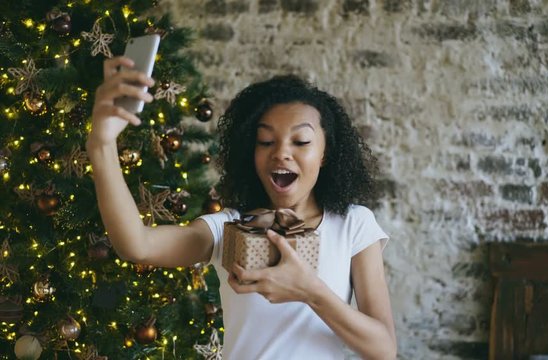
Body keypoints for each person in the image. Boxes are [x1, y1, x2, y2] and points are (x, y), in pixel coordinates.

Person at [87, 56, 397, 359]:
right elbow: (136, 245)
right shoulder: (230, 229)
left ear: (325, 154)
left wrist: (310, 291)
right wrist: (101, 144)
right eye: (265, 142)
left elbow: (383, 349)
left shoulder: (353, 224)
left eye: (301, 142)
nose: (281, 154)